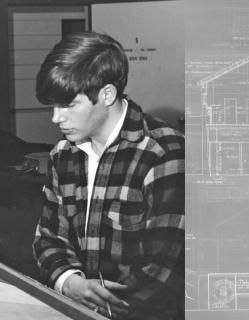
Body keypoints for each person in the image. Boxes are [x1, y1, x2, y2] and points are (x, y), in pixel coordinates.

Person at [32, 31, 184, 320]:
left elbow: (165, 269)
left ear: (107, 94)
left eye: (68, 105)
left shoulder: (164, 152)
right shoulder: (62, 154)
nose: (56, 118)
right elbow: (48, 239)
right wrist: (71, 284)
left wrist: (103, 308)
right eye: (52, 106)